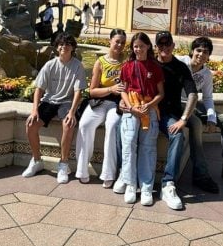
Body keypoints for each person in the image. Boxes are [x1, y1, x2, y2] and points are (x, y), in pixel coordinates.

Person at [155, 31, 217, 210]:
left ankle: (171, 183)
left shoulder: (181, 67)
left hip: (176, 111)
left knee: (186, 130)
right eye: (161, 45)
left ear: (173, 46)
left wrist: (185, 119)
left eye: (168, 44)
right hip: (146, 110)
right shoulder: (150, 63)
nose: (165, 48)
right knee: (122, 126)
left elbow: (197, 95)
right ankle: (126, 177)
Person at [179, 36, 223, 185]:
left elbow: (207, 98)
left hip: (193, 105)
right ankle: (201, 175)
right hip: (178, 105)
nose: (201, 54)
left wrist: (212, 118)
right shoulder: (180, 63)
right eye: (198, 50)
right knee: (197, 124)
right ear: (192, 51)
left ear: (209, 56)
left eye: (205, 52)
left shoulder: (206, 74)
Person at [22, 33, 87, 183]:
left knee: (68, 124)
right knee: (30, 124)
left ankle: (63, 164)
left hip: (66, 102)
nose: (64, 46)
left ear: (73, 48)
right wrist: (34, 110)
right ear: (57, 47)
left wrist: (71, 112)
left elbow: (78, 92)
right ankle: (37, 160)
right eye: (61, 44)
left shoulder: (77, 66)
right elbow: (39, 88)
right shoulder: (50, 65)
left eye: (68, 44)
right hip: (49, 101)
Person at [113, 32, 164, 206]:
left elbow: (160, 93)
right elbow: (124, 90)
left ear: (148, 47)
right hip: (131, 108)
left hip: (149, 108)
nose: (138, 49)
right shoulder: (127, 66)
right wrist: (131, 107)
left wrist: (148, 106)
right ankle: (130, 184)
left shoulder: (155, 67)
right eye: (135, 46)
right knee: (128, 145)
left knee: (148, 147)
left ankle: (146, 186)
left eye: (141, 46)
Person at [75, 29, 127, 187]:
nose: (119, 45)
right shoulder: (100, 62)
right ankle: (82, 170)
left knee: (112, 127)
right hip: (99, 102)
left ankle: (108, 173)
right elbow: (92, 91)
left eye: (122, 43)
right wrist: (110, 89)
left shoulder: (126, 62)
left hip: (117, 104)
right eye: (117, 41)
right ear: (110, 41)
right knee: (84, 125)